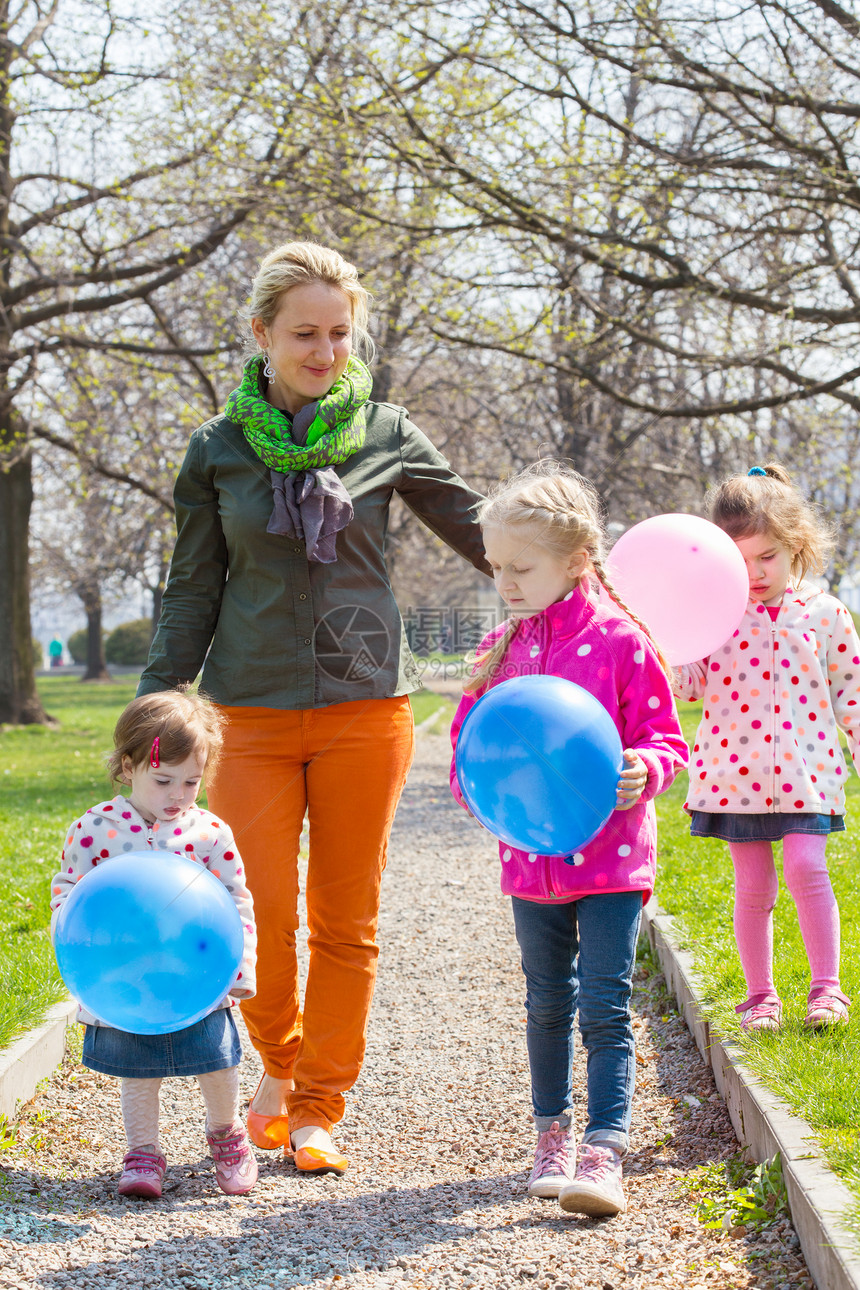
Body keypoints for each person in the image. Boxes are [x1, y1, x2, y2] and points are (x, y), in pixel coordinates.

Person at [137, 241, 488, 1175]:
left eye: (340, 332)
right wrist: (157, 708)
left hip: (366, 707)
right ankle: (280, 1073)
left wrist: (576, 574)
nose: (326, 351)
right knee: (255, 911)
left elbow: (482, 531)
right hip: (246, 710)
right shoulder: (217, 450)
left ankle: (321, 1104)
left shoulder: (386, 430)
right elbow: (191, 592)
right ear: (260, 333)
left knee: (347, 918)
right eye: (305, 333)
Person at [449, 463, 688, 1218]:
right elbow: (468, 750)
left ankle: (604, 1149)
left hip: (612, 860)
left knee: (605, 1004)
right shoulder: (500, 649)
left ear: (578, 559)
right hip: (530, 862)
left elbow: (666, 741)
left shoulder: (622, 642)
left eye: (521, 567)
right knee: (546, 1002)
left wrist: (642, 769)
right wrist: (481, 798)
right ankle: (550, 1135)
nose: (506, 582)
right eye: (496, 568)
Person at [50, 691, 258, 1200]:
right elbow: (69, 897)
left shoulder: (209, 832)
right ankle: (143, 1151)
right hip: (125, 980)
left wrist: (241, 966)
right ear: (128, 766)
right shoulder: (94, 829)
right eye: (163, 780)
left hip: (198, 976)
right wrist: (79, 962)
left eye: (192, 781)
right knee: (138, 1066)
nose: (178, 794)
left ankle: (228, 1136)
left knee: (217, 1057)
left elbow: (235, 900)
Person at [674, 463, 858, 1033]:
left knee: (807, 867)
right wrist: (677, 641)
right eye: (741, 561)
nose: (754, 573)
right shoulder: (716, 616)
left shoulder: (826, 614)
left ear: (794, 544)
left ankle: (826, 989)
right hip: (734, 775)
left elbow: (850, 691)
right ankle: (760, 997)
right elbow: (691, 689)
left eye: (767, 557)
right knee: (753, 886)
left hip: (810, 773)